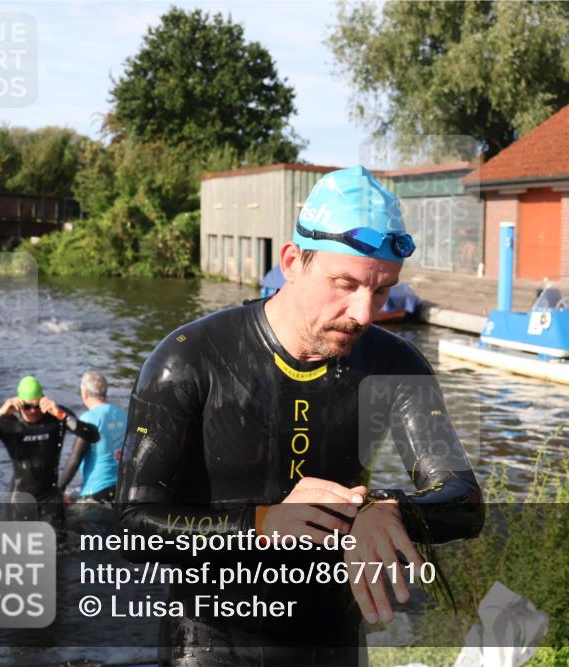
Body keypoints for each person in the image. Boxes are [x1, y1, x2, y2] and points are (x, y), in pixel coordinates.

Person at [116, 166, 484, 666]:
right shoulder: (188, 359)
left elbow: (464, 502)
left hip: (332, 642)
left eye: (382, 290)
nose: (364, 313)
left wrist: (389, 508)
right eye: (345, 284)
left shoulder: (394, 365)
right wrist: (261, 525)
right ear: (292, 260)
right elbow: (133, 525)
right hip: (210, 644)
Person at [0, 375, 99, 525]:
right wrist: (0, 413)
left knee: (59, 546)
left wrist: (62, 416)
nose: (33, 411)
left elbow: (93, 436)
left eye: (37, 405)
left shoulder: (56, 417)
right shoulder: (7, 421)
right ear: (19, 403)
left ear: (43, 400)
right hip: (21, 500)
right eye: (27, 406)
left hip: (50, 498)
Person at [58, 371, 126, 503]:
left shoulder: (87, 420)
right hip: (121, 487)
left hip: (96, 491)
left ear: (84, 393)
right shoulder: (122, 414)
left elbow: (75, 458)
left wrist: (60, 489)